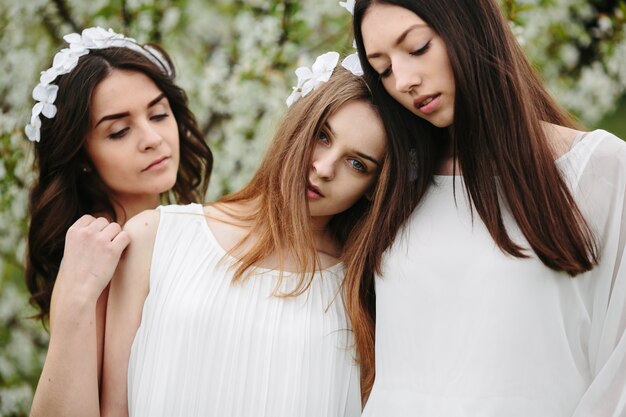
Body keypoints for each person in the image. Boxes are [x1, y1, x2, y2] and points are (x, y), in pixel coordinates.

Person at [341, 0, 626, 415]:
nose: (402, 81)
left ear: (470, 26)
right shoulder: (396, 185)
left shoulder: (597, 168)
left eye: (417, 47)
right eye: (382, 69)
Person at [100, 59, 389, 416]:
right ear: (298, 125)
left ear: (374, 189)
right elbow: (113, 408)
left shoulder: (362, 292)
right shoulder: (157, 237)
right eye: (322, 136)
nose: (324, 168)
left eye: (357, 164)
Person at [25, 27, 213, 417]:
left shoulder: (184, 231)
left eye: (159, 114)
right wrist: (75, 301)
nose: (152, 139)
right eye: (119, 131)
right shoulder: (100, 255)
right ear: (81, 155)